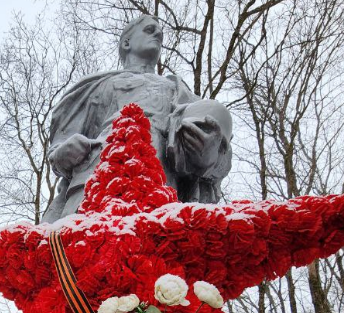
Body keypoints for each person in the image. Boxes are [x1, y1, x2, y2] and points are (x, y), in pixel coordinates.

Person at [43, 14, 233, 222]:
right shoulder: (98, 86)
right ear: (126, 43)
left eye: (160, 35)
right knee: (84, 246)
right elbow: (60, 147)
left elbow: (211, 157)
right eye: (150, 30)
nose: (158, 35)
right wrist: (63, 154)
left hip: (160, 180)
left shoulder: (177, 90)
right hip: (98, 177)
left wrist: (208, 152)